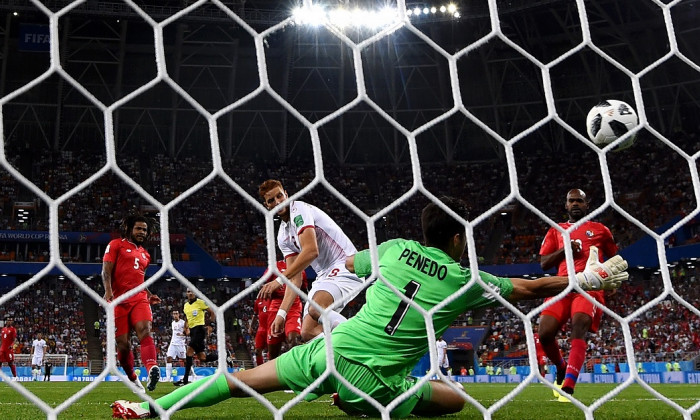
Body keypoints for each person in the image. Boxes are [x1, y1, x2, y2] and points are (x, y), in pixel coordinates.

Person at [111, 197, 629, 419]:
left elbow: (350, 264)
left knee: (239, 380)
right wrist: (589, 276)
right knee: (454, 401)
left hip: (329, 352)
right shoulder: (465, 278)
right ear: (454, 240)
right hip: (372, 380)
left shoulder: (394, 249)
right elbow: (534, 287)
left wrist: (316, 303)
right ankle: (358, 402)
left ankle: (150, 408)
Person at [257, 179, 364, 342]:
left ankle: (365, 339)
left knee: (316, 308)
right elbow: (295, 279)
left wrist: (278, 280)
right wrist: (281, 314)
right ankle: (348, 352)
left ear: (286, 194)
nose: (278, 202)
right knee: (307, 332)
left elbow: (311, 251)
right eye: (271, 200)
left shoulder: (299, 209)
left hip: (345, 265)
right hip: (325, 276)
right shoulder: (282, 236)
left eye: (279, 196)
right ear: (267, 206)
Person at [538, 189, 618, 402]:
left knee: (579, 326)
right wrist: (565, 250)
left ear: (587, 204)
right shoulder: (556, 230)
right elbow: (544, 263)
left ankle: (569, 386)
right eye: (571, 200)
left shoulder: (600, 230)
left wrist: (612, 279)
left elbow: (615, 258)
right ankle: (561, 367)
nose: (575, 204)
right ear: (566, 205)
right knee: (544, 333)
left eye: (579, 201)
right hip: (562, 287)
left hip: (589, 288)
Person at [102, 213, 162, 393]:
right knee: (123, 344)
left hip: (139, 298)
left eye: (144, 229)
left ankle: (152, 368)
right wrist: (108, 291)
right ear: (129, 228)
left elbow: (140, 279)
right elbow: (106, 270)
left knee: (145, 330)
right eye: (138, 228)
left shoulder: (146, 255)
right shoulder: (116, 245)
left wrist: (150, 294)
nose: (142, 232)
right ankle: (133, 378)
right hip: (118, 300)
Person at [263, 260, 307, 359]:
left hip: (294, 306)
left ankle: (294, 368)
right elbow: (266, 284)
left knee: (294, 340)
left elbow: (304, 289)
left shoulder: (300, 267)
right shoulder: (275, 266)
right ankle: (272, 369)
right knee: (274, 349)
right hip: (276, 306)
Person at [173, 289, 217, 387]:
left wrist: (211, 325)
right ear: (186, 293)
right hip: (193, 331)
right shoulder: (186, 306)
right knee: (202, 358)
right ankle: (224, 356)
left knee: (189, 352)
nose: (190, 293)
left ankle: (185, 380)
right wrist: (186, 327)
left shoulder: (200, 302)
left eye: (192, 291)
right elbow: (187, 319)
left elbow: (212, 312)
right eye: (188, 291)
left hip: (200, 329)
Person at [165, 310, 187, 382]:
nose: (175, 315)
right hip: (173, 344)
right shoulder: (173, 323)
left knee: (185, 360)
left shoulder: (183, 323)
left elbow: (188, 332)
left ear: (179, 314)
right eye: (174, 314)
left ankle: (193, 375)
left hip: (180, 344)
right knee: (168, 358)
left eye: (176, 314)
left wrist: (182, 335)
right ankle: (168, 378)